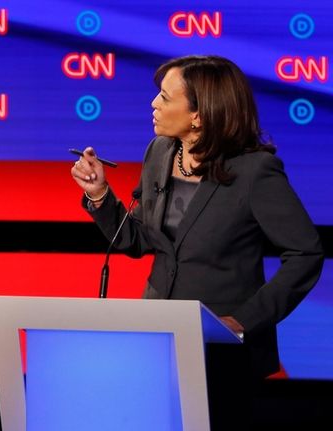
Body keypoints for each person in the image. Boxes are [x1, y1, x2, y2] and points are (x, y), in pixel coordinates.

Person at [71, 55, 323, 428]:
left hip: (221, 350)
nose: (153, 104)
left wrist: (241, 322)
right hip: (158, 339)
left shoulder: (255, 172)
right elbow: (139, 240)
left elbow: (306, 254)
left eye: (164, 97)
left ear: (199, 115)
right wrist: (99, 195)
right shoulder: (159, 152)